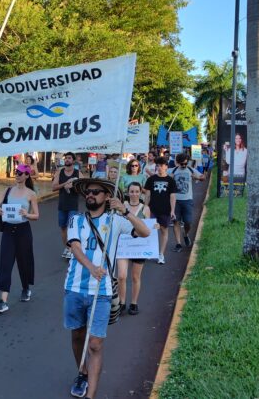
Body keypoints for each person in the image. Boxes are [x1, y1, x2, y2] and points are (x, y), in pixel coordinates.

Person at [64, 178, 150, 399]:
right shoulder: (76, 219)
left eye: (96, 191)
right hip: (75, 287)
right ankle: (82, 373)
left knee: (95, 344)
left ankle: (91, 395)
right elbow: (75, 247)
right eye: (88, 192)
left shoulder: (115, 221)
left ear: (106, 197)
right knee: (77, 336)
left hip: (102, 292)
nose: (90, 195)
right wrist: (91, 267)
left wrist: (125, 211)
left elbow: (145, 232)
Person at [0, 164, 39, 314]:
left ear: (27, 175)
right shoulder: (8, 190)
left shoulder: (31, 194)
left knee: (24, 263)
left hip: (23, 231)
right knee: (5, 264)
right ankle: (3, 300)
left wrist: (26, 214)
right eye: (16, 172)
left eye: (20, 173)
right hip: (8, 230)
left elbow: (36, 215)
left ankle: (26, 288)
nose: (17, 174)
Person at [116, 182, 150, 316]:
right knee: (121, 276)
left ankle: (134, 303)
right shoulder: (121, 207)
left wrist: (155, 226)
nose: (134, 194)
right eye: (132, 191)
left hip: (139, 247)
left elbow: (148, 227)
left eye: (137, 191)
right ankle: (122, 302)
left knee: (136, 277)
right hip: (123, 246)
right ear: (127, 192)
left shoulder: (145, 209)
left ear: (140, 193)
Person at [144, 157, 176, 265]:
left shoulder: (171, 180)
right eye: (157, 165)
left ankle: (161, 254)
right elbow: (147, 195)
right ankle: (150, 251)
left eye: (161, 165)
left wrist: (172, 210)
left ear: (166, 167)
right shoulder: (151, 179)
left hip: (165, 210)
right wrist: (145, 206)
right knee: (150, 230)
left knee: (164, 231)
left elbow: (172, 196)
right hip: (152, 209)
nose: (159, 167)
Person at [169, 153, 204, 252]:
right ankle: (178, 244)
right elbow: (161, 177)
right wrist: (169, 178)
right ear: (177, 162)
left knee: (188, 222)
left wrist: (197, 177)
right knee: (176, 221)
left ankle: (185, 234)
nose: (184, 165)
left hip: (187, 200)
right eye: (182, 164)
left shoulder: (191, 170)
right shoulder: (172, 171)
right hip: (175, 201)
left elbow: (203, 177)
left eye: (186, 163)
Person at [53, 152, 82, 260]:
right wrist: (65, 184)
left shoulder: (78, 173)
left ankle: (71, 249)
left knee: (71, 227)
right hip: (62, 204)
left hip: (73, 205)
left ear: (73, 160)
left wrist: (73, 186)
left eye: (69, 158)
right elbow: (53, 187)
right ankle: (67, 247)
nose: (67, 160)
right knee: (63, 228)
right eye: (66, 158)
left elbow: (83, 187)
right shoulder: (60, 172)